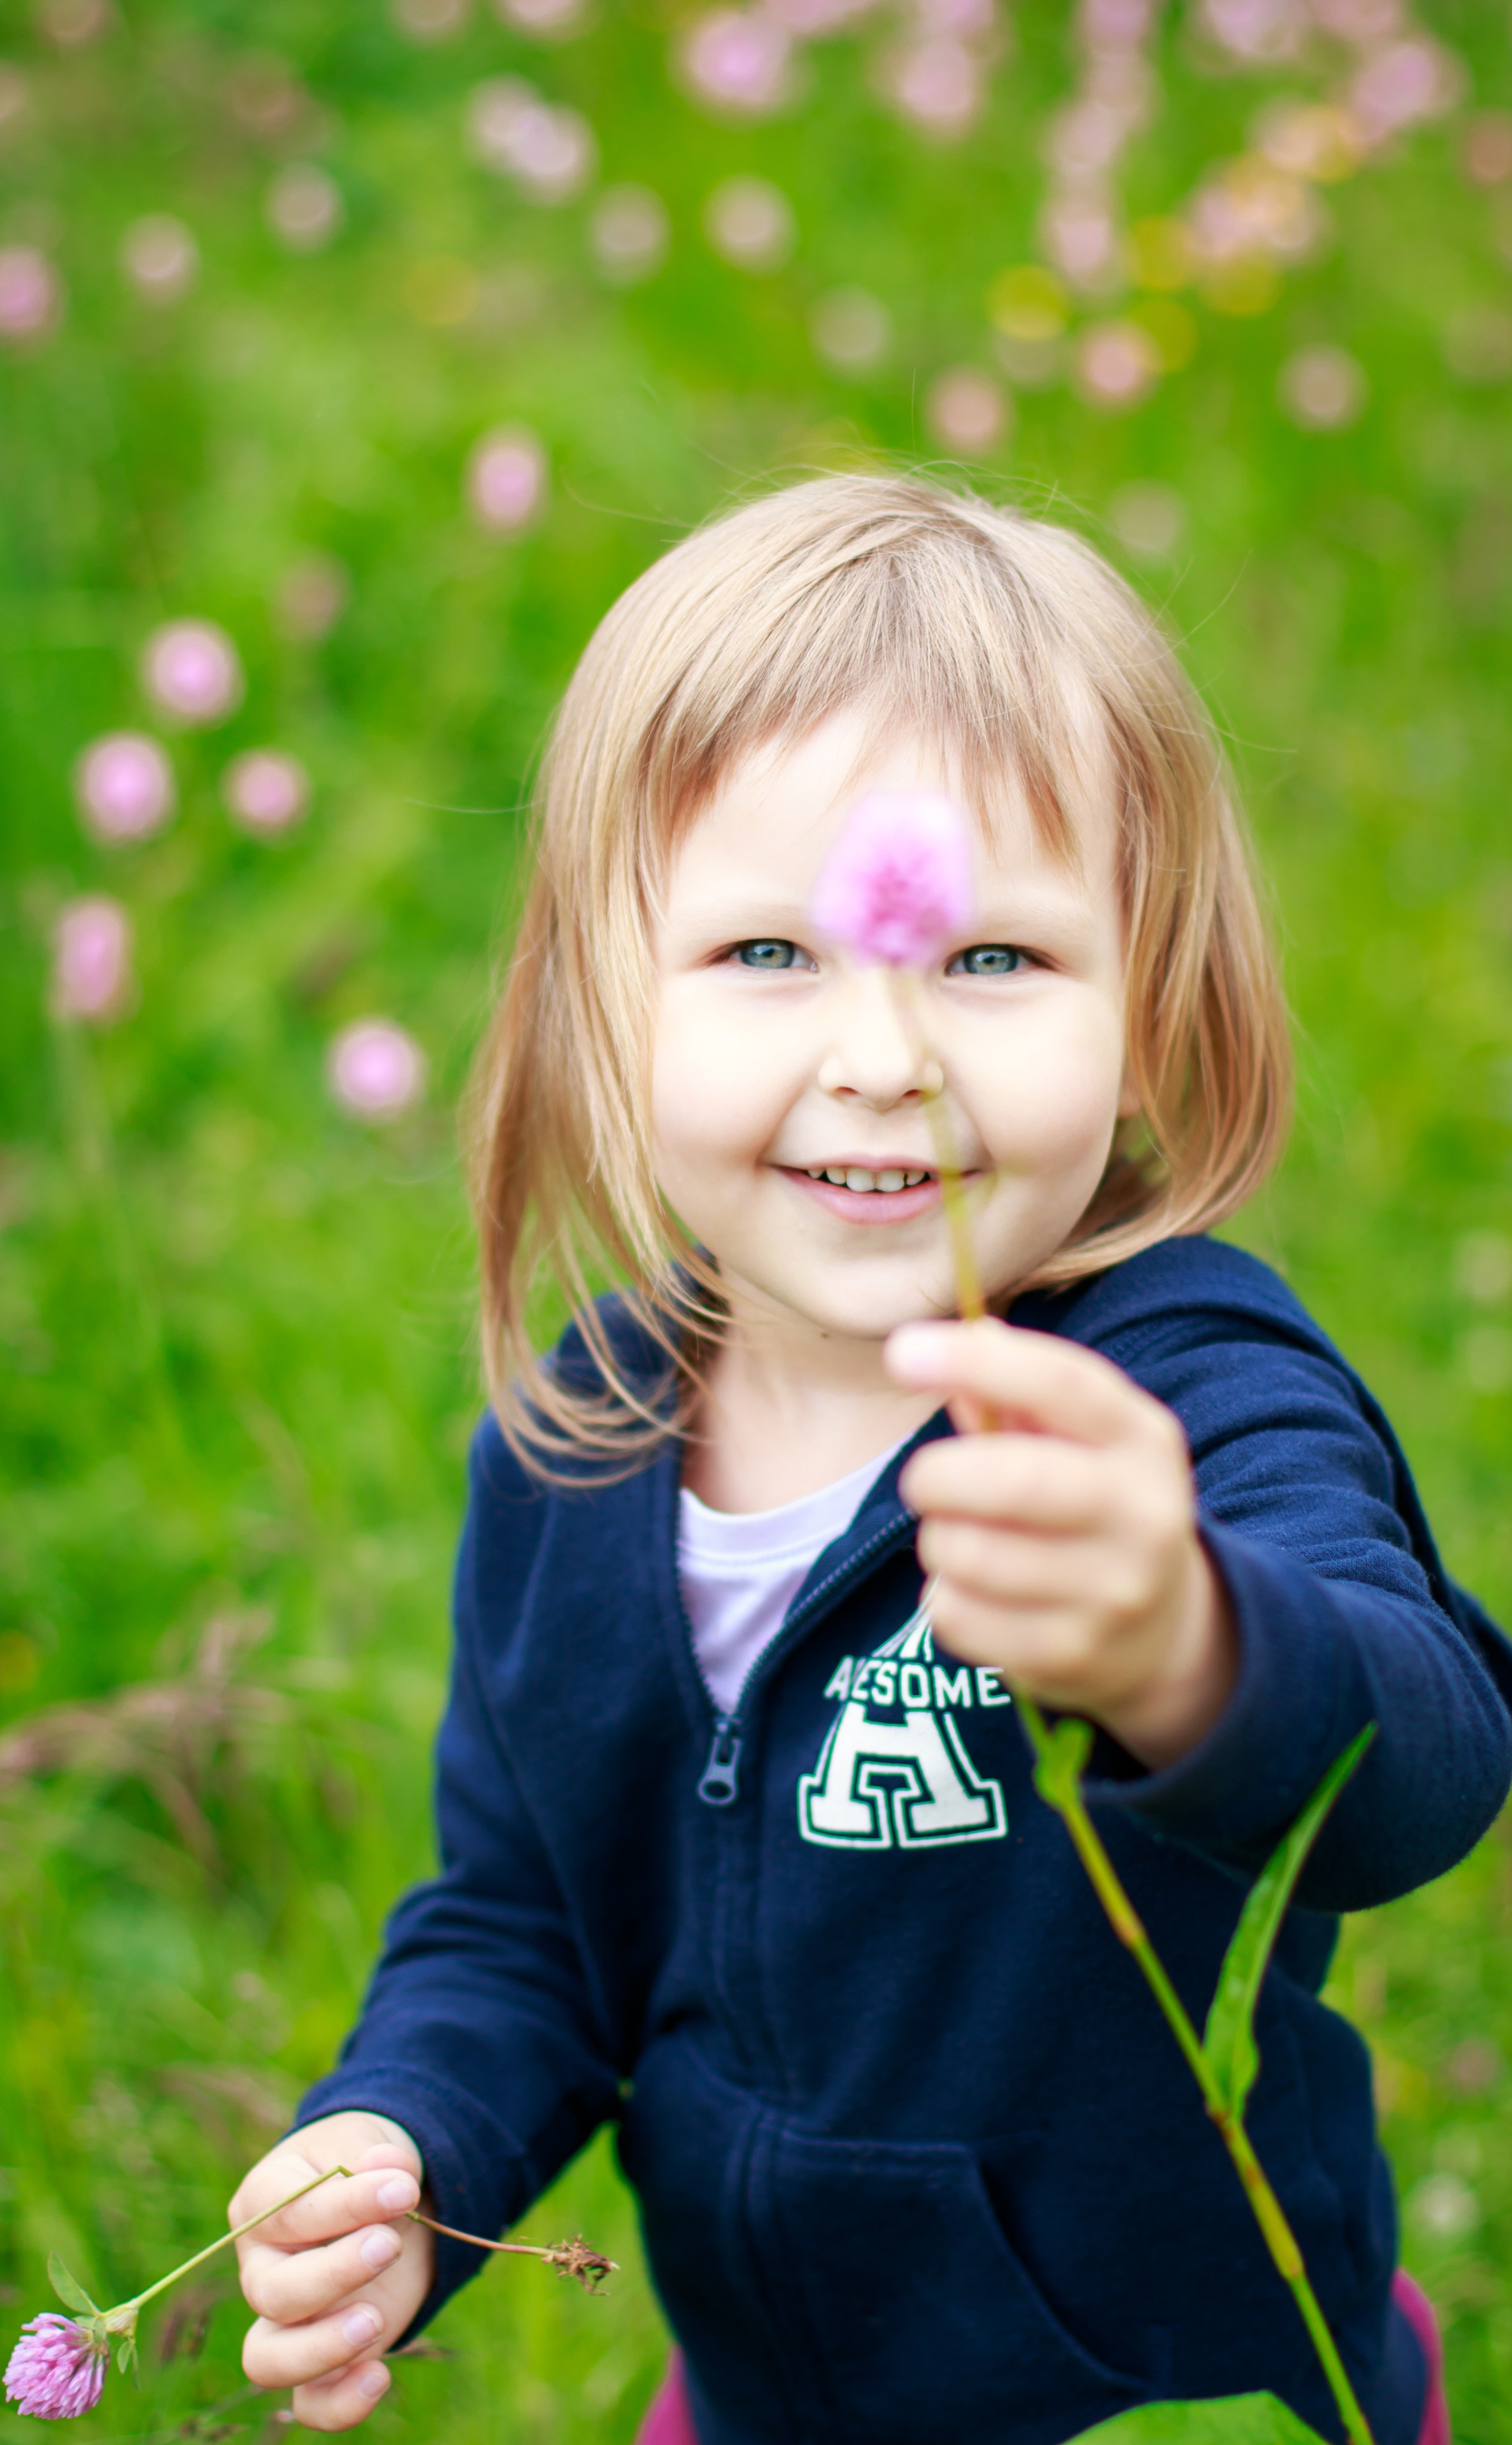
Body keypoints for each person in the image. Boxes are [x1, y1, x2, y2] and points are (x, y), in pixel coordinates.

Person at [227, 476, 1505, 2444]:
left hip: (1170, 2391)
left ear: (1150, 1013)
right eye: (764, 954)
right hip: (766, 2396)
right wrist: (407, 2143)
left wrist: (1187, 1645)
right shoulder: (577, 1454)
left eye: (992, 959)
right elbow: (528, 1924)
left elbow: (1423, 1752)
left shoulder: (1173, 1386)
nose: (885, 1050)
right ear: (605, 1009)